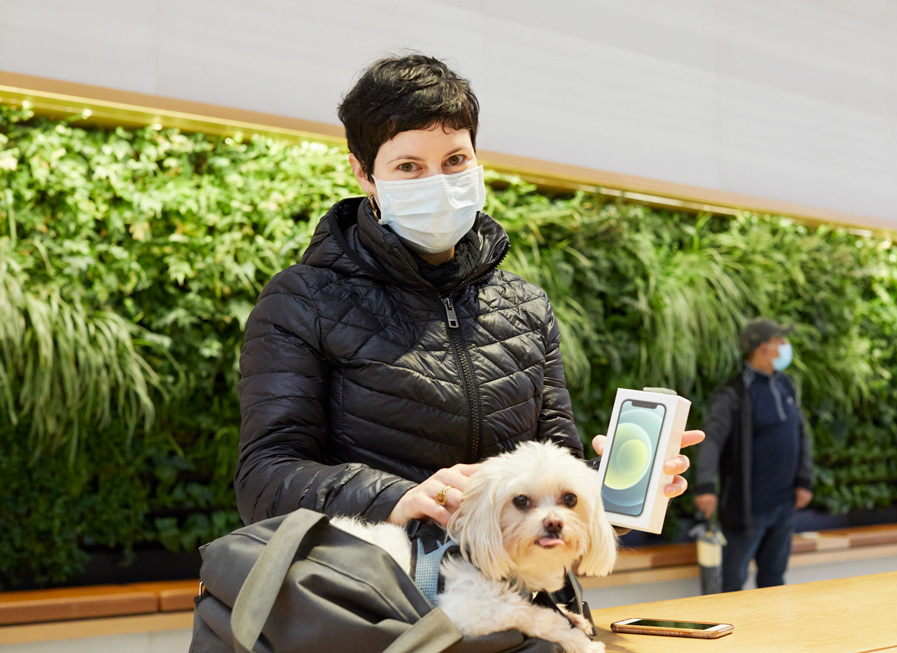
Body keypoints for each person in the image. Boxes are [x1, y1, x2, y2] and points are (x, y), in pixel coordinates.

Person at [234, 52, 703, 535]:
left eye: (455, 159)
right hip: (381, 596)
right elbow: (263, 478)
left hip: (517, 599)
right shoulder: (301, 300)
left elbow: (552, 487)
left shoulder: (526, 306)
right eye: (409, 166)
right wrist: (399, 497)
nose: (438, 183)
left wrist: (604, 497)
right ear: (364, 173)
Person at [694, 317, 814, 592]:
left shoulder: (786, 385)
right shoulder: (735, 392)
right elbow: (711, 439)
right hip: (746, 508)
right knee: (732, 584)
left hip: (784, 505)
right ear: (762, 348)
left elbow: (801, 433)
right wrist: (705, 487)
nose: (785, 346)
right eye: (780, 341)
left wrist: (804, 481)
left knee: (774, 580)